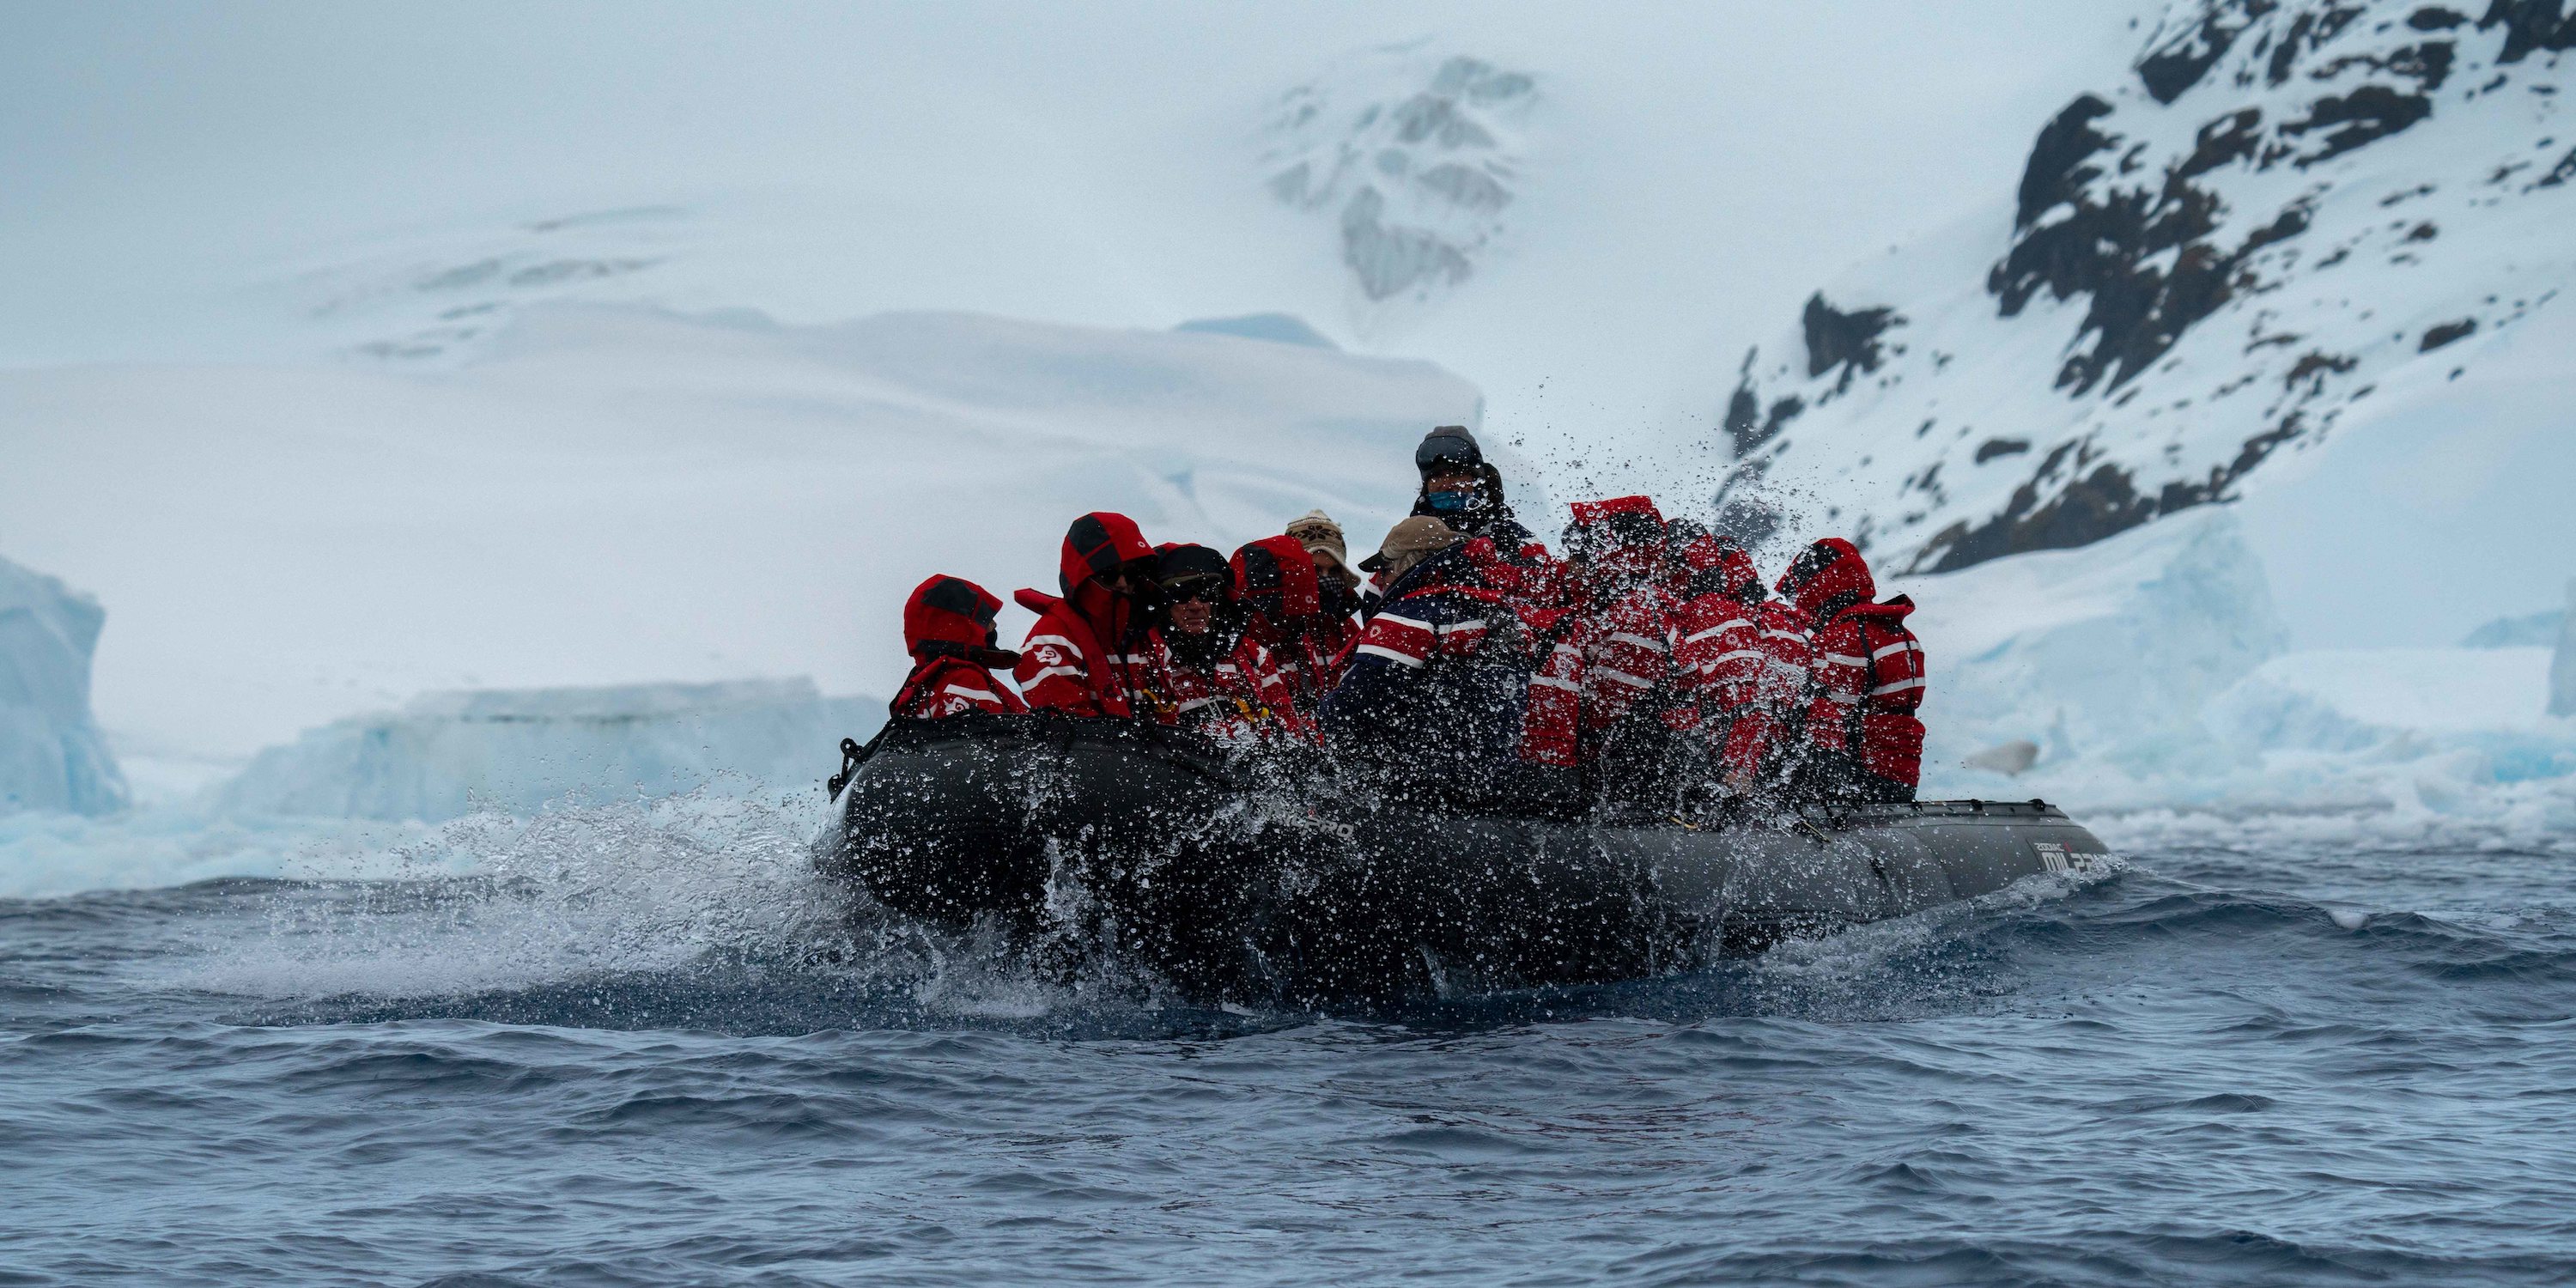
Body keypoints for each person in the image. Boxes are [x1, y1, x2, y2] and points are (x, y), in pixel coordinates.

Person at [1322, 518, 1578, 804]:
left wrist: (1305, 736)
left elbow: (1353, 706)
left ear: (1405, 564)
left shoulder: (1410, 616)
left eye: (1385, 569)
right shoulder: (1501, 614)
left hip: (1415, 792)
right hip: (1489, 793)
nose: (1380, 579)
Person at [1775, 538, 1925, 803]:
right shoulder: (1901, 634)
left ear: (1819, 589)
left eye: (1800, 596)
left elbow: (1824, 721)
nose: (1798, 605)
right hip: (1902, 773)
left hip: (1861, 776)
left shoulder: (1844, 639)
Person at [1668, 533, 1809, 797]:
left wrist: (1736, 770)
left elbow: (1744, 704)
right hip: (1775, 764)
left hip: (1732, 766)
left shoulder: (1721, 619)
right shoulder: (1781, 623)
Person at [1561, 496, 1680, 805]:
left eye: (1578, 554)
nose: (1568, 566)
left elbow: (1605, 711)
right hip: (1630, 772)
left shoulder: (1634, 615)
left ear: (1608, 553)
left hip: (1622, 783)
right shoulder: (1638, 604)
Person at [1130, 543, 1310, 743]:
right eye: (1181, 594)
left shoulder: (1254, 656)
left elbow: (1292, 734)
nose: (1196, 605)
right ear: (1162, 601)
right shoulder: (1143, 660)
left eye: (1206, 593)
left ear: (1218, 599)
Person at [1013, 512, 1159, 718]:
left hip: (1151, 749)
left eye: (1131, 574)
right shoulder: (1050, 639)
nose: (1122, 583)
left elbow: (1172, 714)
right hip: (1089, 749)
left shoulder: (1147, 635)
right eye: (1108, 574)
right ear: (1082, 577)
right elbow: (1068, 729)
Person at [1235, 531, 1356, 714]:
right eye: (1316, 570)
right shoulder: (1243, 647)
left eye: (1334, 571)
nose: (1325, 580)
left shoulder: (1346, 630)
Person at [890, 574, 1028, 718]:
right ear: (961, 629)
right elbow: (988, 738)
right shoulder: (964, 680)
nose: (994, 626)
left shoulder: (921, 686)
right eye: (984, 620)